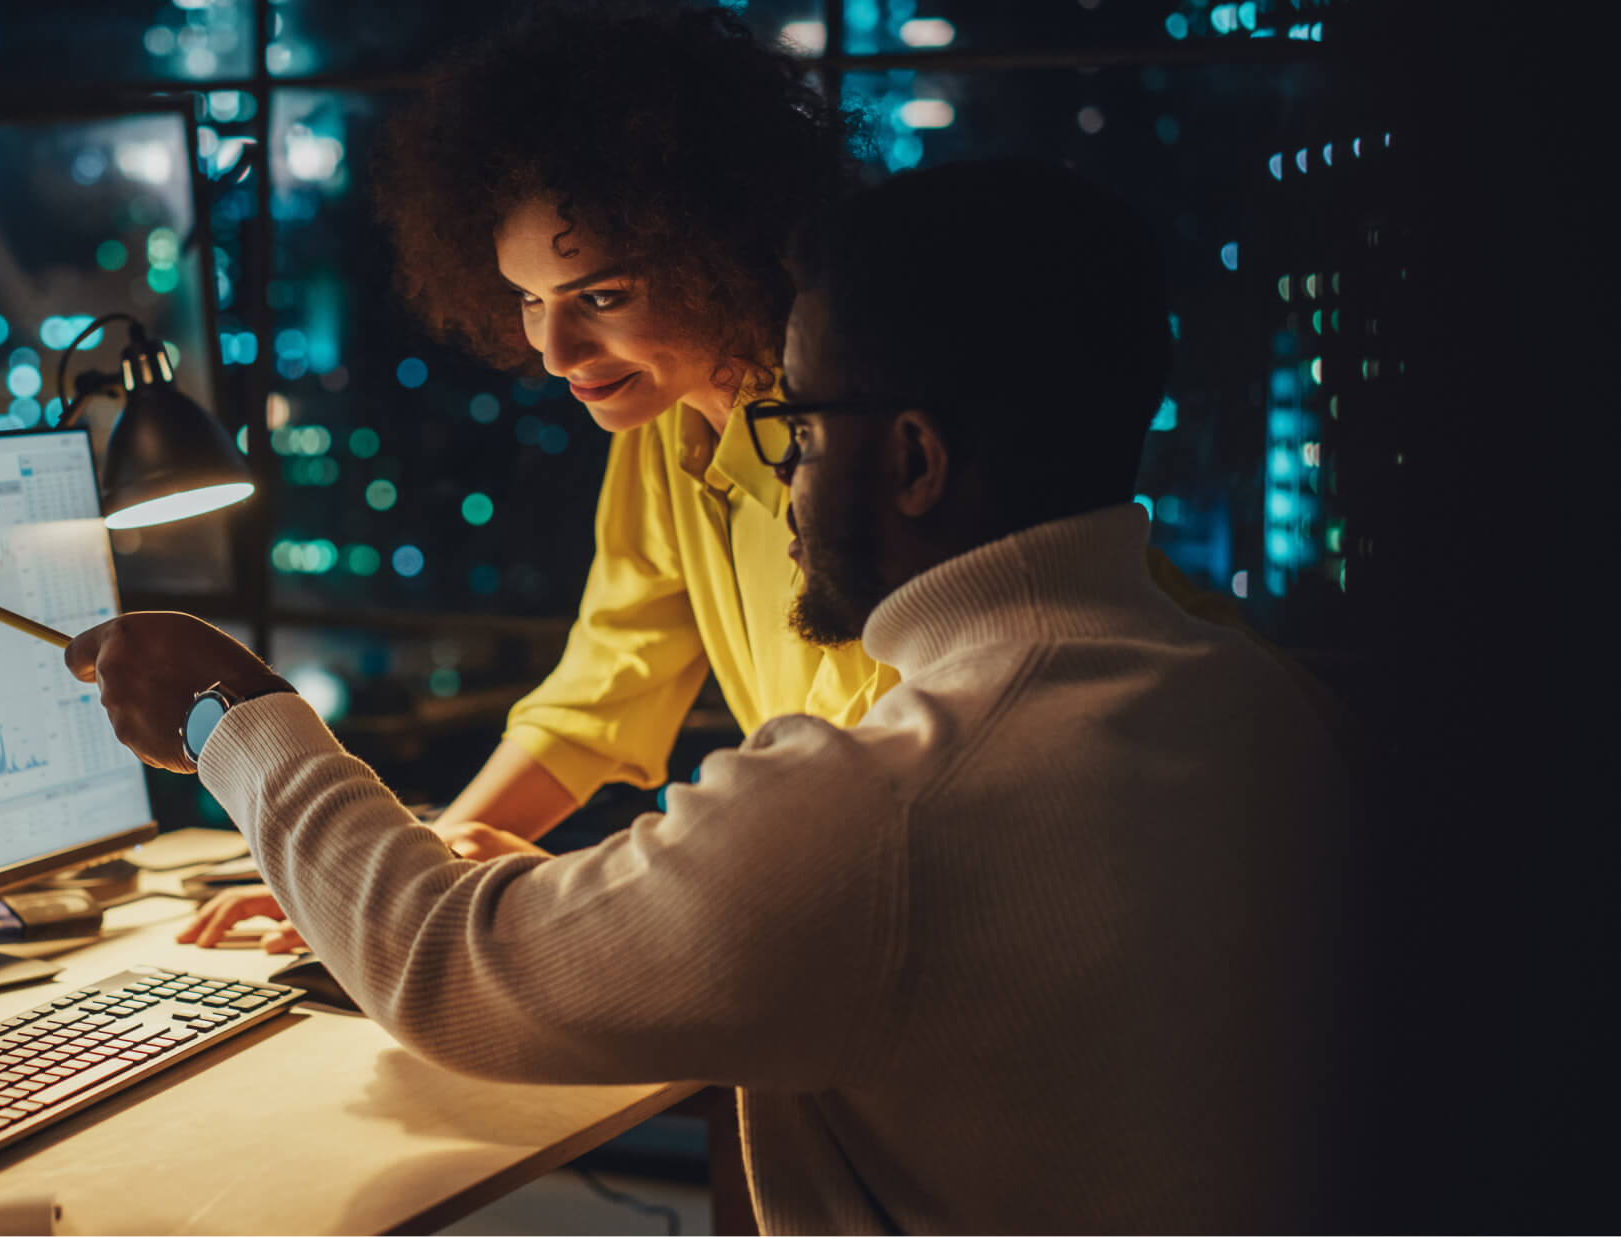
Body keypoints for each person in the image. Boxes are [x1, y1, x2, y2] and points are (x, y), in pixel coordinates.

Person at [70, 161, 1352, 1231]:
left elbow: (458, 970)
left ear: (911, 455)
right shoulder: (1256, 707)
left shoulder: (879, 796)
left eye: (796, 427)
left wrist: (232, 710)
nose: (775, 478)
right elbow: (607, 695)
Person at [179, 4, 1251, 952]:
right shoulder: (659, 423)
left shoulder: (856, 442)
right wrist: (418, 866)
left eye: (600, 294)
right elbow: (607, 685)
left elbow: (854, 779)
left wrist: (418, 900)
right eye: (525, 300)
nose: (552, 351)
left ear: (716, 246)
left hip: (1148, 818)